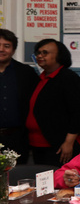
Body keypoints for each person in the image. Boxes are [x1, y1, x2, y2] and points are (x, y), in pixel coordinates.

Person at [26, 39, 80, 166]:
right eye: (38, 53)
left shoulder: (69, 79)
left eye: (45, 53)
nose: (40, 56)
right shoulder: (40, 78)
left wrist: (68, 143)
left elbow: (77, 114)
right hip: (38, 145)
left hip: (59, 146)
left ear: (59, 56)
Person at [0, 30, 39, 162]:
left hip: (17, 137)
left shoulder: (26, 72)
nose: (1, 49)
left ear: (13, 49)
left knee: (17, 175)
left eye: (6, 46)